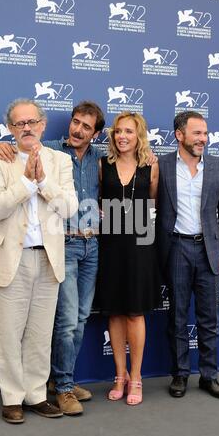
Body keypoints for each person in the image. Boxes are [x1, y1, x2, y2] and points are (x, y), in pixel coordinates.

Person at [0, 102, 157, 415]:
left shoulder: (102, 158)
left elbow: (141, 188)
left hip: (93, 246)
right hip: (63, 245)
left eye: (87, 126)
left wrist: (145, 155)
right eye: (76, 122)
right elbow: (22, 145)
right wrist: (3, 145)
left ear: (96, 133)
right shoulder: (51, 149)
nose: (78, 130)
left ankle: (59, 381)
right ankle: (65, 388)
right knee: (67, 321)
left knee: (80, 319)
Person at [0, 99, 78, 423]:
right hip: (12, 258)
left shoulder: (60, 161)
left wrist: (44, 182)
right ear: (10, 129)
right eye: (19, 124)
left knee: (39, 334)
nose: (27, 128)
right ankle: (12, 398)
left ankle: (36, 395)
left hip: (48, 260)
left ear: (43, 125)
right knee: (9, 334)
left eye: (32, 122)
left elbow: (70, 208)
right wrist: (25, 182)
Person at [156, 111, 219, 399]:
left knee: (209, 317)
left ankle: (209, 376)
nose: (203, 139)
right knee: (177, 316)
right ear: (180, 135)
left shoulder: (218, 165)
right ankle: (180, 375)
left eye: (205, 133)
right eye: (197, 134)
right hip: (176, 247)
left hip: (209, 250)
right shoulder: (161, 165)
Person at [94, 112, 161, 405]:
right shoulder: (101, 164)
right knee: (115, 312)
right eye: (118, 131)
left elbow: (154, 204)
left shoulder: (152, 166)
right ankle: (119, 375)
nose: (122, 136)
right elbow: (96, 202)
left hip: (140, 245)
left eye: (129, 132)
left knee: (135, 311)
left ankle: (136, 378)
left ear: (139, 136)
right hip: (110, 244)